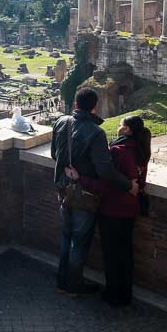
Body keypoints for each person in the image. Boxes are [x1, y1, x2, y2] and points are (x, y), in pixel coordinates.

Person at [51, 87, 137, 296]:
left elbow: (55, 154)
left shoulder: (61, 122)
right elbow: (105, 171)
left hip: (63, 189)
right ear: (94, 107)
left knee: (66, 236)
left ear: (75, 104)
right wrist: (128, 185)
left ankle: (62, 283)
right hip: (84, 194)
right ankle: (73, 286)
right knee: (79, 241)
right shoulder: (96, 133)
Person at [67, 115, 151, 307]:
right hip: (131, 209)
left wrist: (80, 178)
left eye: (121, 125)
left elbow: (105, 183)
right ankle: (125, 294)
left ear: (127, 130)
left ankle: (113, 295)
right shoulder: (142, 150)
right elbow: (139, 181)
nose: (119, 128)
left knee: (112, 255)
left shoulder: (117, 151)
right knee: (126, 253)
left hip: (112, 209)